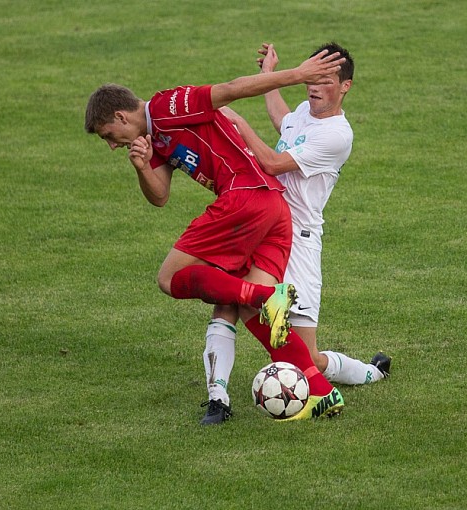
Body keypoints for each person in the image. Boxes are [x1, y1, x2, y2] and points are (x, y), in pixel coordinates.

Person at [84, 49, 346, 423]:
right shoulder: (155, 135)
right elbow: (159, 196)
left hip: (245, 198)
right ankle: (321, 391)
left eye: (110, 135)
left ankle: (265, 296)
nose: (112, 145)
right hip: (274, 209)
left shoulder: (166, 106)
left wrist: (296, 73)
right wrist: (141, 167)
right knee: (253, 313)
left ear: (120, 116)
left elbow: (232, 89)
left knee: (169, 277)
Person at [199, 43, 392, 425]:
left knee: (306, 358)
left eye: (324, 80)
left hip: (298, 242)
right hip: (260, 226)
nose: (313, 85)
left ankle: (370, 372)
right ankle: (217, 399)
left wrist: (239, 124)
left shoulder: (338, 135)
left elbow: (271, 162)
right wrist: (272, 76)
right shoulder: (305, 111)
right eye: (310, 75)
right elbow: (284, 123)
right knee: (227, 301)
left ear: (346, 86)